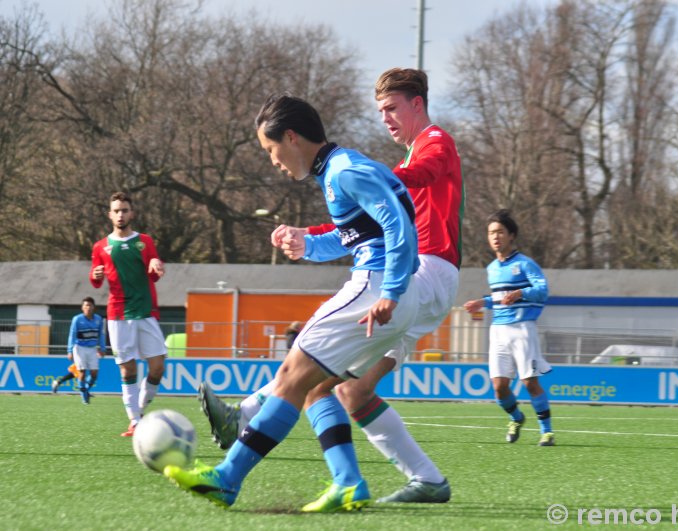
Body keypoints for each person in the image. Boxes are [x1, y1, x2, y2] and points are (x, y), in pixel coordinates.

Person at [198, 67, 462, 503]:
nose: (385, 119)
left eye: (392, 108)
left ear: (417, 104)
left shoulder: (432, 142)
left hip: (425, 270)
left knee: (303, 369)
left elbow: (408, 194)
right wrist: (311, 238)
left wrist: (379, 178)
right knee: (338, 388)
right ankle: (410, 480)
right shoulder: (353, 169)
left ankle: (244, 421)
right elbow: (360, 228)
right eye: (380, 111)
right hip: (415, 276)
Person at [164, 93, 420, 512]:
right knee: (318, 388)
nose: (274, 161)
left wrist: (389, 291)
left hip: (376, 289)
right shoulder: (339, 169)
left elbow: (398, 223)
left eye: (271, 149)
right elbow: (361, 234)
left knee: (288, 375)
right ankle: (349, 483)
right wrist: (309, 243)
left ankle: (227, 478)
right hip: (388, 292)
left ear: (291, 136)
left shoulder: (345, 171)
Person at [464, 210, 554, 446]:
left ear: (511, 235)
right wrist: (481, 303)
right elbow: (499, 297)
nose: (495, 237)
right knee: (499, 387)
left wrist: (521, 292)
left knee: (529, 382)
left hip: (522, 328)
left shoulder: (526, 264)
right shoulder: (492, 268)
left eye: (500, 232)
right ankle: (516, 417)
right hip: (499, 330)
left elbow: (543, 290)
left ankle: (547, 432)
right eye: (491, 233)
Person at [90, 191, 168, 436]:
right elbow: (95, 279)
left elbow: (154, 273)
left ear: (131, 213)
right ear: (109, 214)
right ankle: (135, 421)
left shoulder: (144, 241)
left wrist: (156, 266)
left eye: (124, 210)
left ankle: (140, 408)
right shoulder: (101, 247)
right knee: (128, 370)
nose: (120, 214)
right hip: (118, 314)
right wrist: (95, 275)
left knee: (157, 367)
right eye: (116, 210)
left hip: (145, 311)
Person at [57, 296, 106, 404]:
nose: (88, 307)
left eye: (90, 305)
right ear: (82, 308)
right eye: (86, 305)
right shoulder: (77, 319)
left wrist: (102, 348)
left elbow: (101, 335)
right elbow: (72, 335)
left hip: (92, 349)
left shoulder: (98, 319)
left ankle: (86, 390)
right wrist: (69, 351)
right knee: (82, 373)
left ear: (94, 307)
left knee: (94, 374)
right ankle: (84, 396)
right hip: (80, 348)